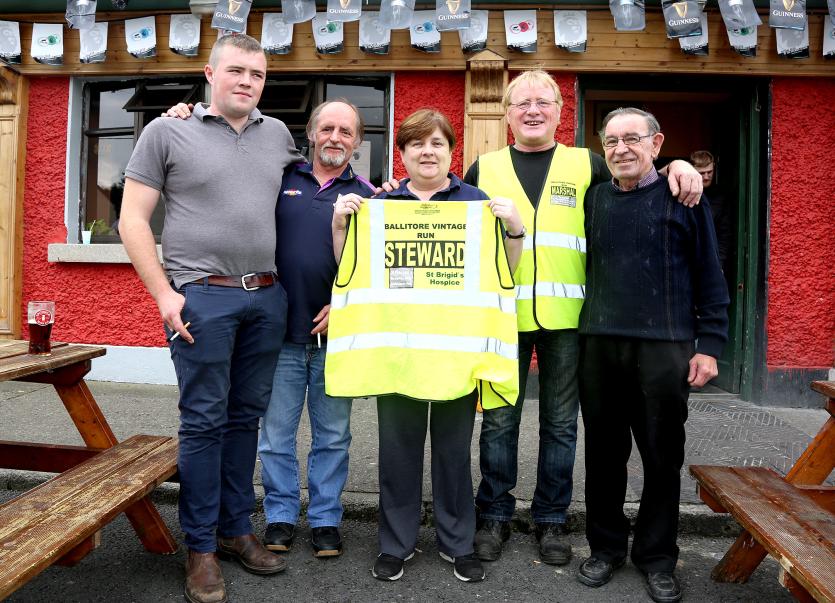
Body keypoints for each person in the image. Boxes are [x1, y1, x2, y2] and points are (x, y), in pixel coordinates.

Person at [464, 69, 704, 566]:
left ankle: (552, 519)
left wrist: (678, 164)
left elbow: (634, 185)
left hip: (573, 322)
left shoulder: (588, 163)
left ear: (559, 111)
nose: (533, 110)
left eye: (543, 102)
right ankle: (494, 515)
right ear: (507, 114)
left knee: (560, 425)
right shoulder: (482, 169)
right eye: (522, 102)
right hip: (501, 320)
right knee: (500, 422)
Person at [120, 34, 300, 603]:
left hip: (266, 297)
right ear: (210, 73)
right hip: (201, 298)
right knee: (203, 422)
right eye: (237, 70)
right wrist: (163, 294)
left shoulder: (277, 135)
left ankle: (234, 529)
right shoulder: (165, 131)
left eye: (257, 74)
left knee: (245, 420)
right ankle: (199, 547)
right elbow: (131, 219)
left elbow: (316, 190)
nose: (247, 81)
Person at [332, 109, 524, 584]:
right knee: (398, 457)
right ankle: (395, 544)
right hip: (398, 357)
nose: (427, 151)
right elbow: (349, 268)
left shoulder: (476, 202)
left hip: (456, 357)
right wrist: (340, 225)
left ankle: (458, 543)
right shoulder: (380, 203)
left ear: (451, 151)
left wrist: (515, 229)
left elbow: (506, 270)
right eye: (417, 143)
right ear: (402, 152)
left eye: (437, 143)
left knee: (453, 458)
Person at [576, 108, 729, 603]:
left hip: (665, 347)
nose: (621, 149)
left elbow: (709, 272)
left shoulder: (684, 196)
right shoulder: (594, 198)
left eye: (632, 139)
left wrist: (710, 345)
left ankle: (657, 557)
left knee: (663, 459)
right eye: (611, 140)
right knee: (603, 458)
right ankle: (605, 549)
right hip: (600, 344)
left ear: (656, 144)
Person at [258, 100, 374, 558]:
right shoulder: (280, 181)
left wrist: (347, 304)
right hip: (280, 335)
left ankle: (326, 519)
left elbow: (378, 272)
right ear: (310, 133)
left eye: (346, 131)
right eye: (327, 128)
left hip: (337, 340)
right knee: (275, 437)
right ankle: (281, 516)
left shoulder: (370, 197)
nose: (335, 138)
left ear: (358, 141)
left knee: (333, 438)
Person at [691, 150, 732, 275]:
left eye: (709, 172)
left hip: (712, 257)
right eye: (701, 173)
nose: (706, 177)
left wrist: (720, 264)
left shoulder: (721, 197)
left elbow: (724, 234)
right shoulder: (683, 193)